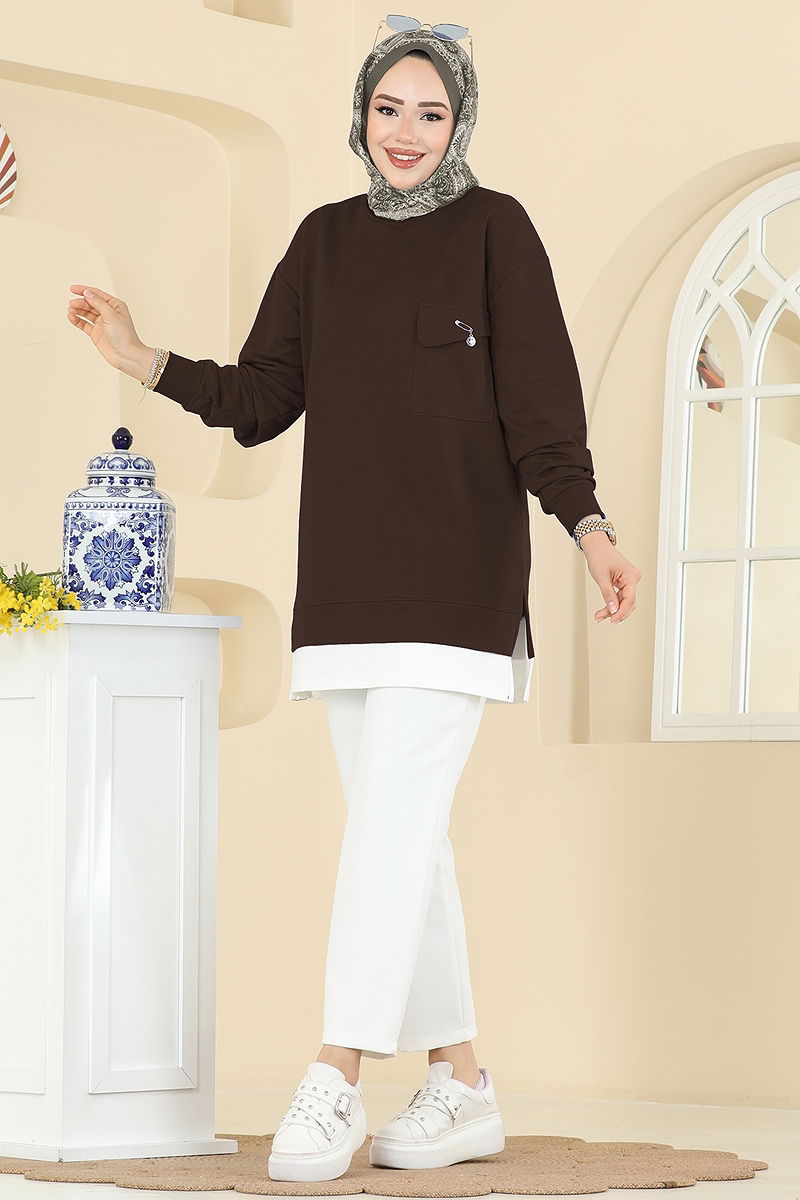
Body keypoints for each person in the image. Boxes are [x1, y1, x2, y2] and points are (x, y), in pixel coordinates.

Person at [66, 18, 642, 1186]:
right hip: (342, 592)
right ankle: (462, 1085)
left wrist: (588, 528)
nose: (406, 133)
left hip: (458, 585)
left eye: (431, 113)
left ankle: (333, 1071)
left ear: (459, 123)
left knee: (387, 830)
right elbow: (263, 397)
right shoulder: (322, 242)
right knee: (402, 839)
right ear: (361, 115)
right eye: (389, 109)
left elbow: (540, 407)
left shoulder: (496, 230)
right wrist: (142, 360)